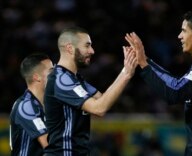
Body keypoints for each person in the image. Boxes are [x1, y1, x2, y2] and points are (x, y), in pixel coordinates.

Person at [125, 10, 192, 156]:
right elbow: (175, 84)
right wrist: (144, 60)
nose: (179, 36)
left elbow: (174, 93)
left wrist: (144, 65)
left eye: (184, 31)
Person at [44, 27, 137, 155]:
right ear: (70, 48)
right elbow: (99, 108)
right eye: (87, 46)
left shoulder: (74, 79)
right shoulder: (61, 80)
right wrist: (126, 73)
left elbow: (103, 100)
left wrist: (126, 68)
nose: (92, 51)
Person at [10, 53, 53, 156]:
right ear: (37, 77)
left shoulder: (47, 106)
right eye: (52, 71)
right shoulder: (25, 106)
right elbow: (50, 145)